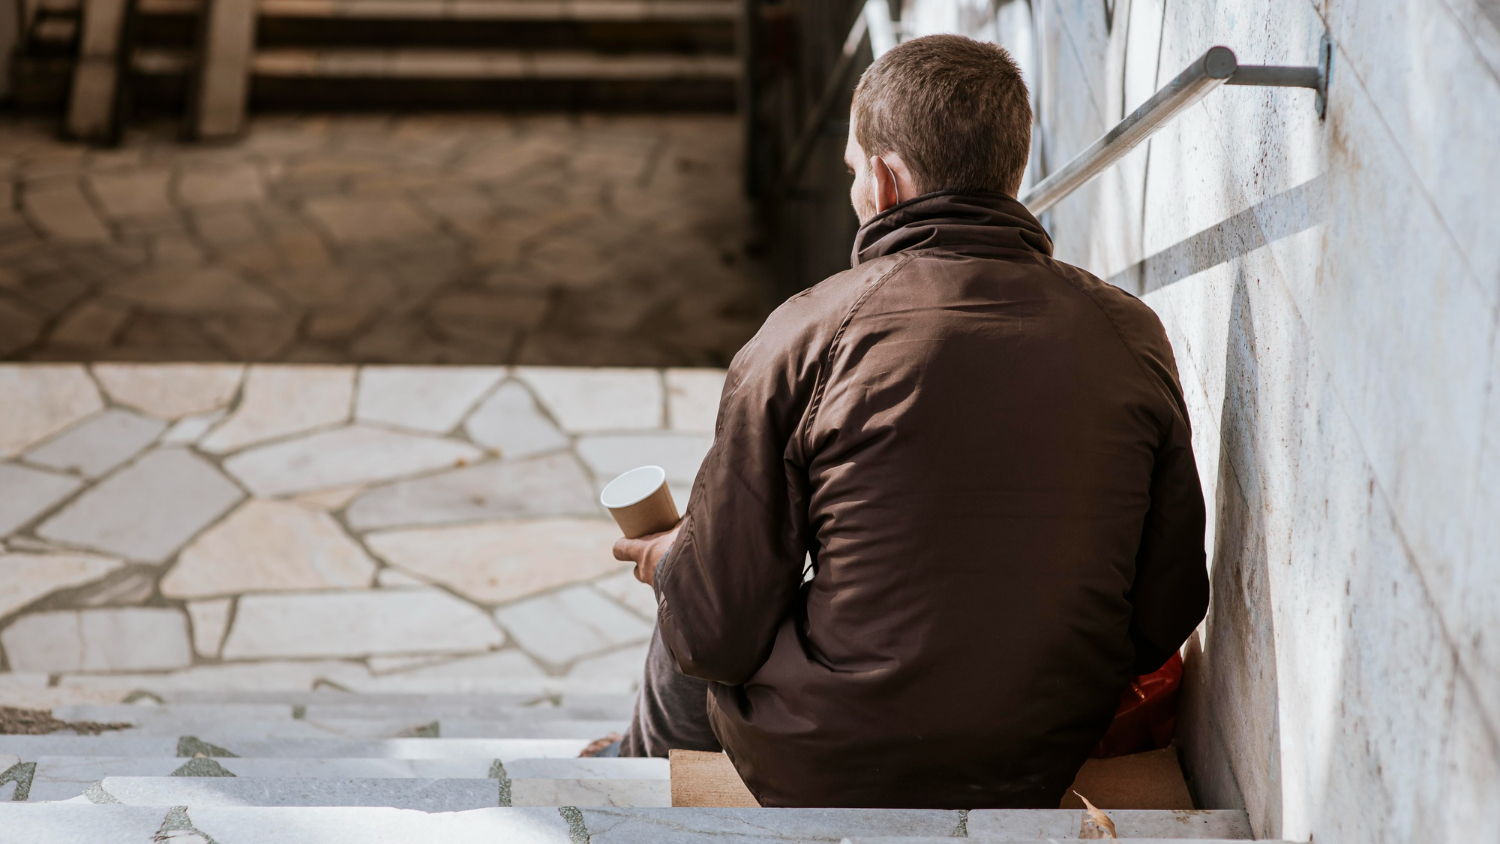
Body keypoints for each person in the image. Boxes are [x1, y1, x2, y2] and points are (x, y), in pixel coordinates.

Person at [597, 32, 1210, 810]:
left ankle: (633, 769)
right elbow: (1168, 610)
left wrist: (674, 561)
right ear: (1010, 169)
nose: (855, 187)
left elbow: (716, 634)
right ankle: (632, 752)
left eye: (854, 170)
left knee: (700, 582)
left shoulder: (803, 333)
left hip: (821, 761)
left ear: (886, 182)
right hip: (1039, 755)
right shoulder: (1130, 332)